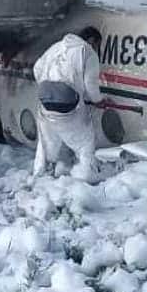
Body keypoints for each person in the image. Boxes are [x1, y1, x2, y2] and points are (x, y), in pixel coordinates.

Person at [32, 26, 105, 183]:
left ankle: (40, 176)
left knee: (45, 142)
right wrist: (99, 100)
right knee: (85, 140)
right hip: (67, 102)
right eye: (98, 45)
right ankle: (86, 176)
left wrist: (49, 86)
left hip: (44, 100)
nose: (97, 49)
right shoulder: (88, 51)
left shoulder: (56, 46)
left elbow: (36, 68)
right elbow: (90, 84)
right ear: (92, 41)